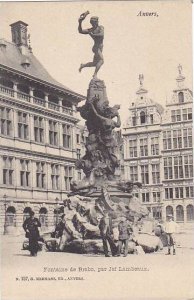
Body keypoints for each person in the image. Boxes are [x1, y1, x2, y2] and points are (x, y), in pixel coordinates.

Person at [78, 12, 104, 78]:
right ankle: (95, 74)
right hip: (96, 47)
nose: (94, 23)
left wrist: (93, 35)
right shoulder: (90, 30)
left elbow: (101, 34)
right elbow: (80, 31)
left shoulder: (100, 27)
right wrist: (80, 22)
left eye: (94, 22)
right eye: (92, 22)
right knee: (101, 60)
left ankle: (83, 65)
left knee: (95, 63)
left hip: (100, 47)